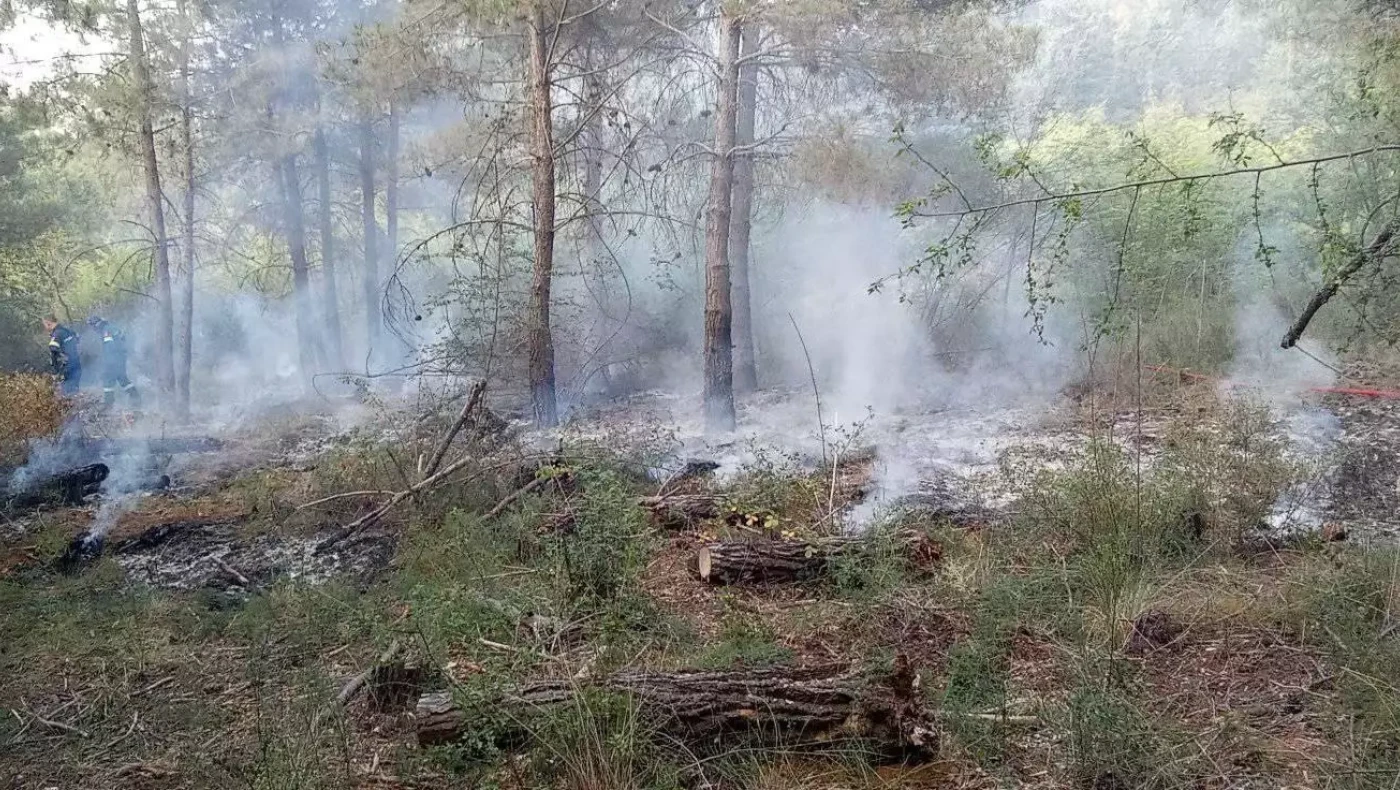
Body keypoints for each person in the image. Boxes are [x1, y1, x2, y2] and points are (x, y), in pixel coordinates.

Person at [86, 316, 140, 407]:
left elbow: (109, 347)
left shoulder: (106, 331)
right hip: (120, 358)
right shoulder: (112, 327)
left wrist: (109, 362)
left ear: (96, 324)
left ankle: (109, 402)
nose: (93, 329)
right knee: (122, 379)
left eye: (92, 326)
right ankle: (136, 397)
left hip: (114, 360)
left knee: (107, 379)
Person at [43, 315, 81, 396]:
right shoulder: (68, 331)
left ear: (48, 323)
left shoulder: (57, 335)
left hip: (66, 367)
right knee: (74, 389)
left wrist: (55, 371)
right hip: (76, 363)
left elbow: (54, 353)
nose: (45, 327)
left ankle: (71, 405)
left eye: (45, 325)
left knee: (67, 392)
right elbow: (77, 339)